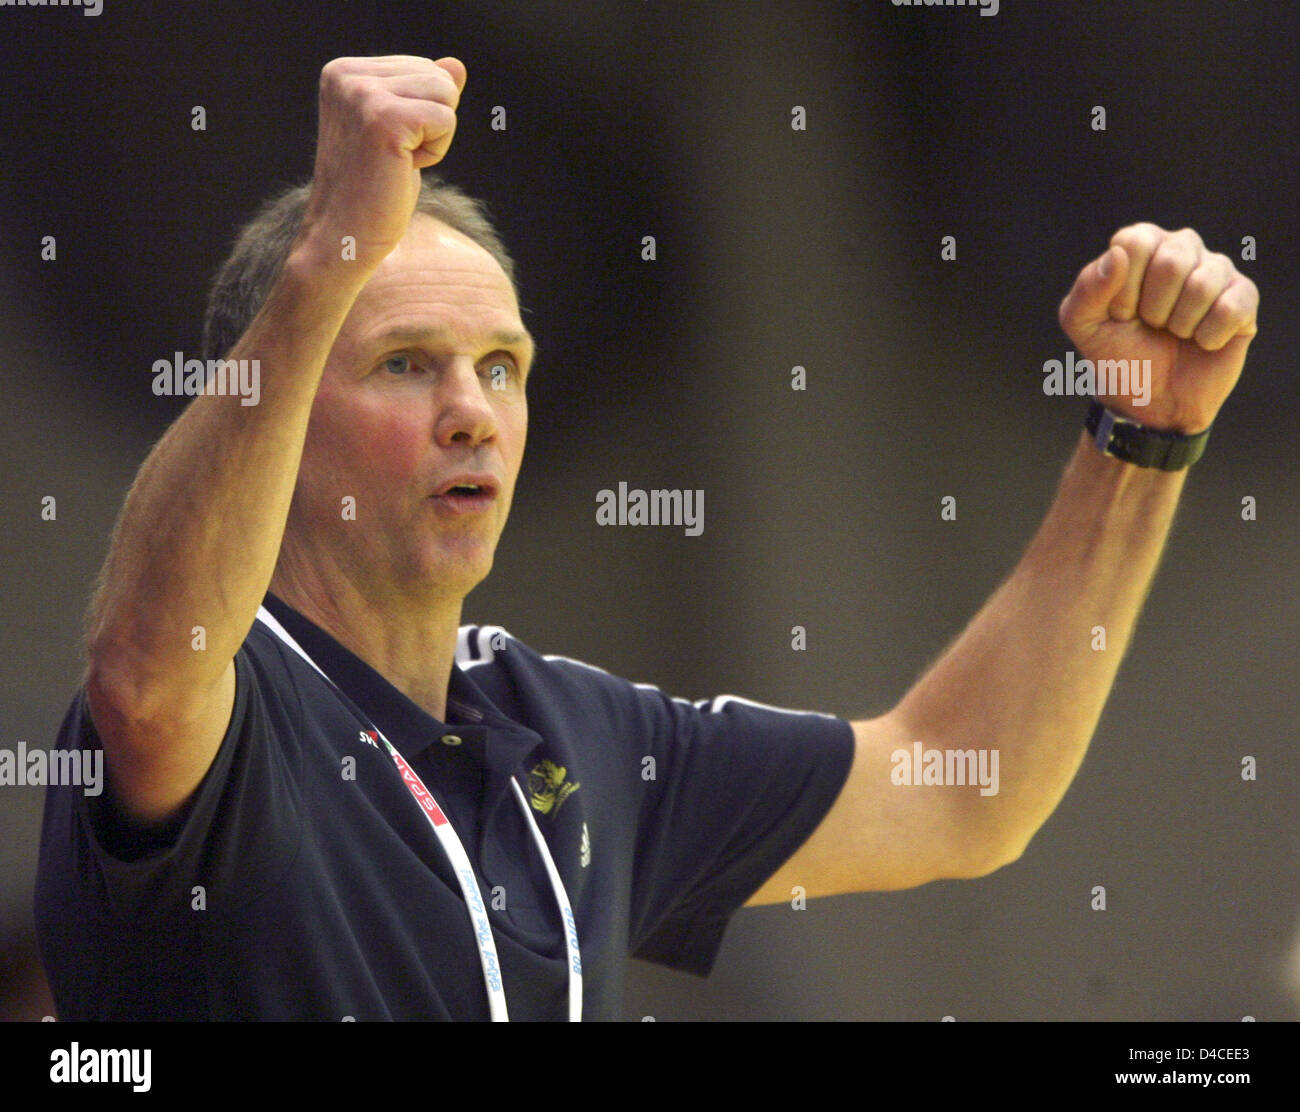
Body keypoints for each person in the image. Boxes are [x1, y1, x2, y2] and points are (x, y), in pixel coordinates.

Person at [34, 55, 1260, 1021]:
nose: (473, 410)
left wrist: (1139, 440)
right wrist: (322, 263)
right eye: (405, 364)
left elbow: (963, 786)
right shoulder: (228, 706)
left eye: (502, 367)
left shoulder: (576, 736)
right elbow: (145, 668)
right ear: (283, 412)